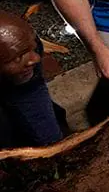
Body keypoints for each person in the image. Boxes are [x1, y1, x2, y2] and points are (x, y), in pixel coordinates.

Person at [0, 10, 63, 150]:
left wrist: (54, 146)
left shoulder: (23, 41)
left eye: (32, 49)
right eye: (18, 57)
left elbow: (32, 98)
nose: (36, 59)